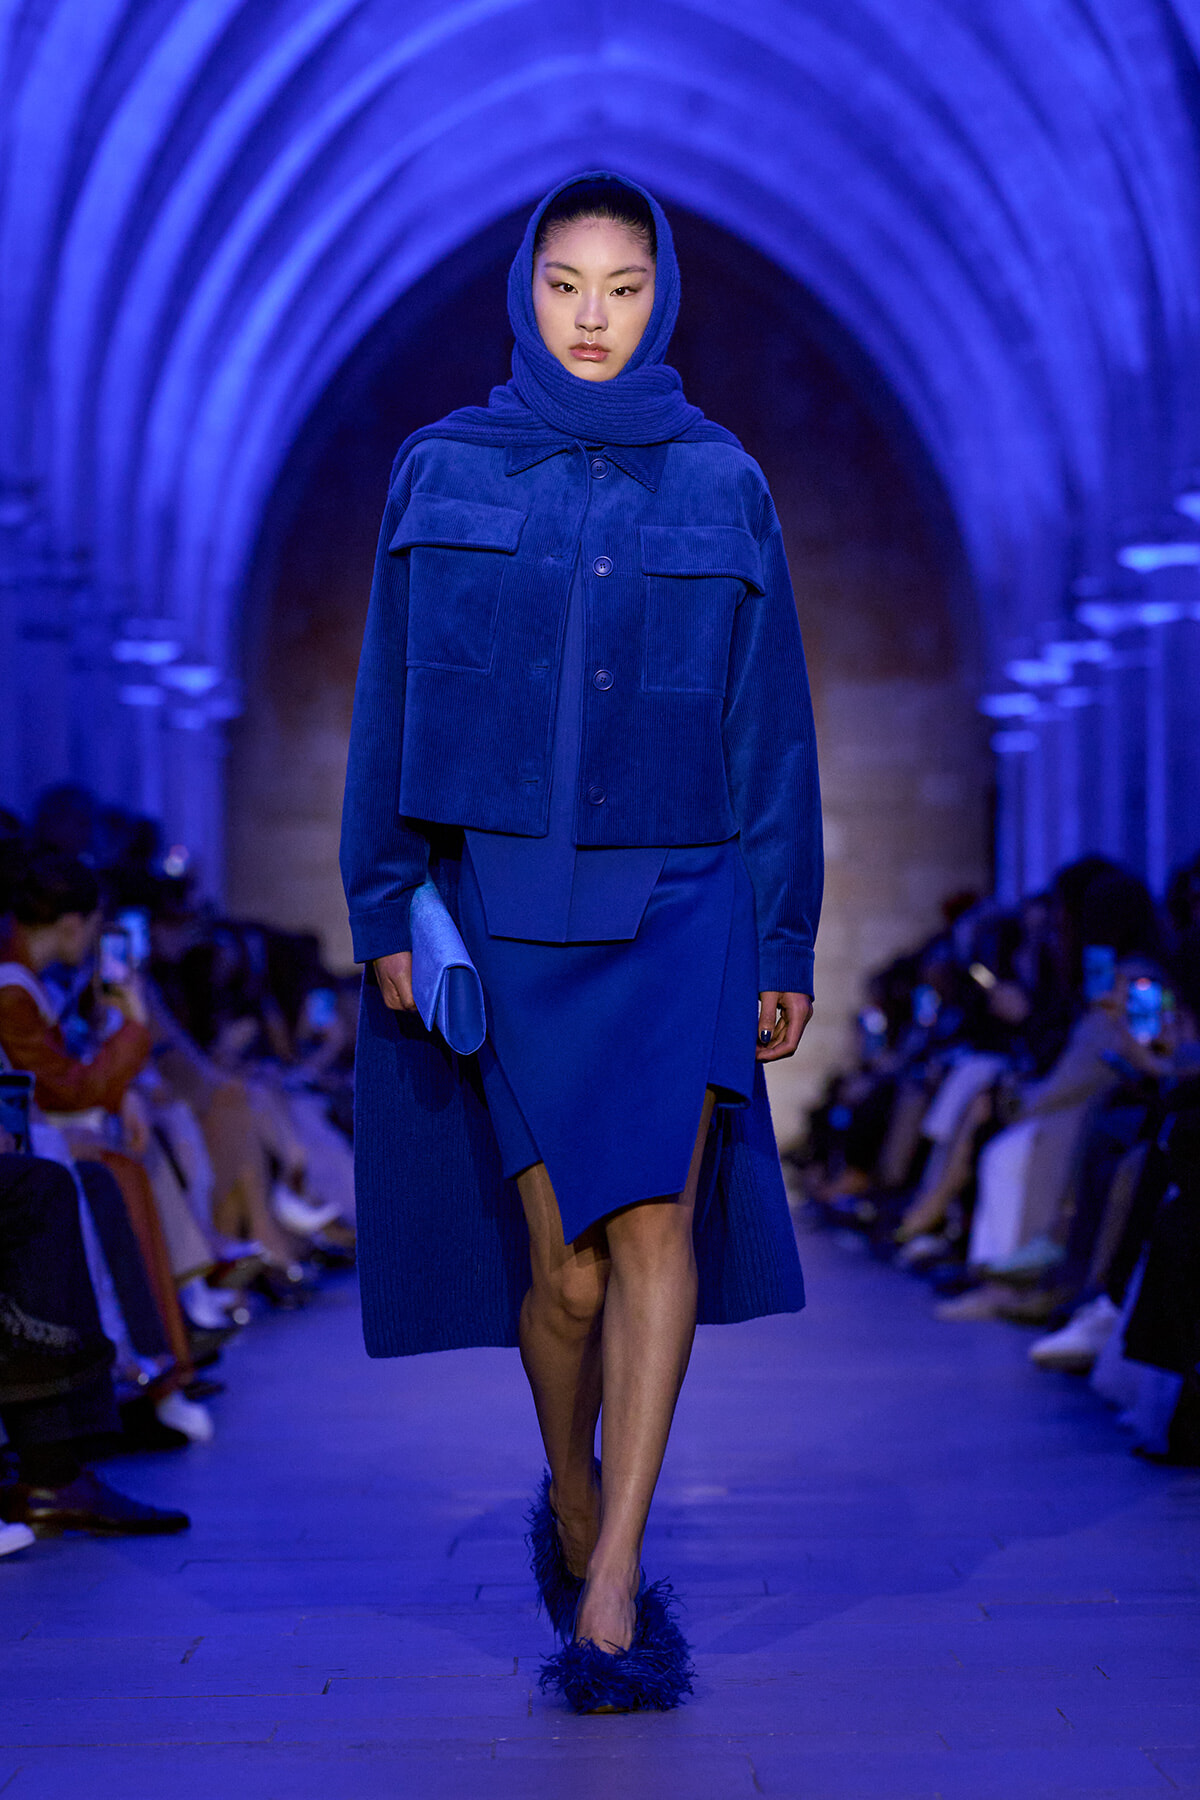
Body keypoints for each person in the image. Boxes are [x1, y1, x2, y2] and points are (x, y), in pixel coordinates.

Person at [340, 172, 822, 1712]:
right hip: (507, 908)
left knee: (657, 1230)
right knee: (560, 1275)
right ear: (525, 292)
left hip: (683, 898)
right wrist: (379, 900)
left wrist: (783, 932)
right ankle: (566, 1481)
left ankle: (612, 1580)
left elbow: (774, 735)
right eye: (566, 284)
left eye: (621, 285)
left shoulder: (721, 481)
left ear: (661, 291)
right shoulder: (442, 470)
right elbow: (386, 702)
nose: (595, 315)